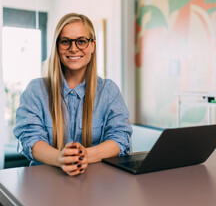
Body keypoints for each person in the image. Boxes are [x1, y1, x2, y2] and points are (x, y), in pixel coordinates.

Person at [14, 13, 132, 176]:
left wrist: (84, 156)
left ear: (92, 45)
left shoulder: (109, 91)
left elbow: (120, 138)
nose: (73, 48)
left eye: (81, 41)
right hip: (44, 183)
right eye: (65, 41)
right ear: (57, 46)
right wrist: (61, 159)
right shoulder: (36, 90)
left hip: (98, 184)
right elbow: (30, 139)